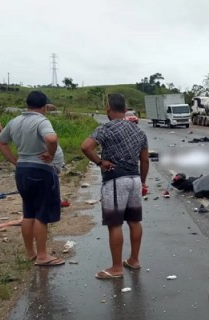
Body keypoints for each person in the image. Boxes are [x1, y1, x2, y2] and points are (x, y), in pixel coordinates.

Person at [81, 93, 149, 280]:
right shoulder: (139, 131)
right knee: (134, 221)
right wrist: (142, 182)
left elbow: (86, 147)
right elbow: (144, 160)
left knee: (115, 224)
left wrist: (100, 162)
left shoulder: (105, 128)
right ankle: (134, 260)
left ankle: (117, 268)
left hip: (115, 180)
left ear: (108, 109)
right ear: (125, 110)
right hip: (134, 179)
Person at [0, 91, 64, 266]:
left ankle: (30, 252)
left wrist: (14, 161)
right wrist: (50, 153)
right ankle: (42, 256)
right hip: (40, 171)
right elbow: (52, 138)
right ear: (45, 106)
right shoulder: (41, 121)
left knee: (28, 212)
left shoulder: (15, 121)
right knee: (42, 214)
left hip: (23, 170)